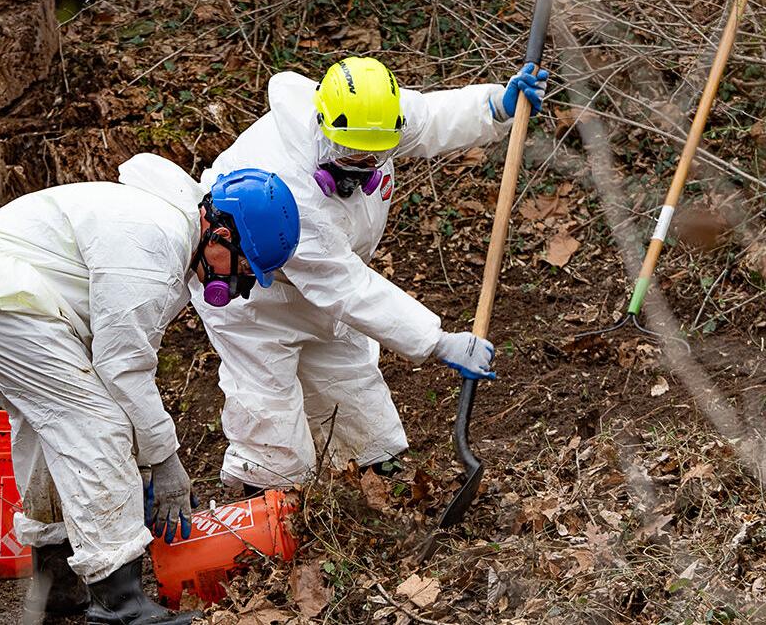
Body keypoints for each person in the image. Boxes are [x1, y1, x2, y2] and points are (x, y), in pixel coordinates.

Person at [0, 153, 301, 625]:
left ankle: (59, 584)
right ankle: (120, 607)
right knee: (92, 425)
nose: (240, 284)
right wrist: (163, 462)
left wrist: (142, 467)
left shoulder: (168, 235)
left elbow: (116, 363)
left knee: (51, 426)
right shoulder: (154, 244)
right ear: (220, 232)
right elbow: (123, 367)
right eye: (244, 267)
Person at [190, 56, 549, 493]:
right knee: (270, 410)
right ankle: (266, 506)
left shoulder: (376, 117)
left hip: (327, 286)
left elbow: (433, 118)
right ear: (324, 125)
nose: (362, 161)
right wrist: (436, 341)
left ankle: (374, 483)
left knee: (349, 382)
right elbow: (348, 287)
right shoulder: (288, 187)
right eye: (350, 151)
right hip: (251, 292)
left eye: (374, 154)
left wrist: (493, 106)